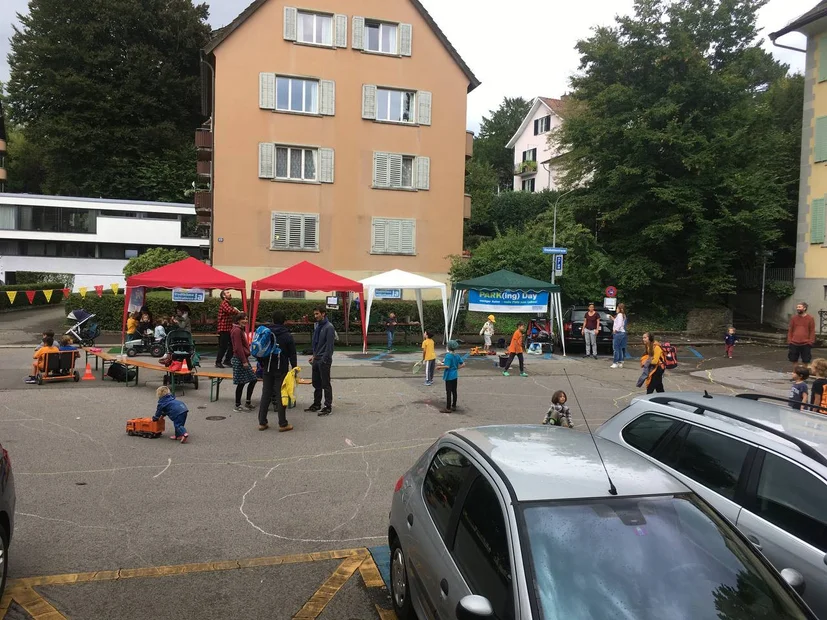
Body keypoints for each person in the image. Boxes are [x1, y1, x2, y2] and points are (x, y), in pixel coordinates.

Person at [257, 310, 297, 432]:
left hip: (268, 366)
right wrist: (294, 369)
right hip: (281, 368)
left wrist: (262, 363)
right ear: (284, 321)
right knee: (281, 395)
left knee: (266, 394)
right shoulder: (287, 335)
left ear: (272, 320)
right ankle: (282, 423)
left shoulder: (267, 333)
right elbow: (292, 354)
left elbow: (260, 348)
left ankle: (262, 422)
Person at [306, 307, 335, 416]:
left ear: (323, 314)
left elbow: (329, 347)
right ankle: (317, 403)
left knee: (325, 383)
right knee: (316, 383)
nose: (315, 316)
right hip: (316, 359)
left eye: (317, 314)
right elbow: (317, 344)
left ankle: (328, 406)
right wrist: (314, 356)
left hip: (324, 360)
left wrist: (324, 359)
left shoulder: (329, 327)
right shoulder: (318, 326)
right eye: (314, 314)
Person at [230, 313, 257, 412]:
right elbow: (238, 347)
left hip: (241, 358)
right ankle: (238, 405)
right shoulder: (237, 331)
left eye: (246, 319)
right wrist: (244, 361)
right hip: (240, 359)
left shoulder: (238, 329)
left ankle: (247, 402)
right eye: (243, 319)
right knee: (242, 382)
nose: (245, 321)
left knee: (251, 380)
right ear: (238, 320)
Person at [437, 340, 464, 413]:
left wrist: (439, 367)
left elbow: (447, 366)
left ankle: (448, 408)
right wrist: (456, 368)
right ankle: (454, 405)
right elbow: (463, 364)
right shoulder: (457, 355)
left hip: (449, 376)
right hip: (455, 375)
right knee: (454, 391)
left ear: (449, 347)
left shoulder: (448, 356)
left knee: (448, 391)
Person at [788, 302, 816, 372]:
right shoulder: (794, 318)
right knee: (794, 360)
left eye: (799, 307)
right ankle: (795, 375)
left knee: (806, 361)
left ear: (804, 308)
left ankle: (804, 376)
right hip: (794, 342)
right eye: (797, 307)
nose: (798, 308)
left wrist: (810, 341)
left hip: (806, 343)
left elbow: (812, 330)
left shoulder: (810, 318)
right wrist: (790, 341)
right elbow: (790, 330)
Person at [215, 289, 240, 368]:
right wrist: (237, 311)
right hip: (223, 329)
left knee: (232, 345)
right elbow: (230, 311)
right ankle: (218, 362)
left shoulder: (228, 304)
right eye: (227, 293)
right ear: (224, 296)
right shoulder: (224, 304)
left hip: (228, 329)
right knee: (223, 346)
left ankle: (227, 360)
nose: (230, 294)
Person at [610, 304, 627, 369]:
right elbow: (620, 322)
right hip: (622, 332)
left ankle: (615, 362)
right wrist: (613, 319)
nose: (616, 309)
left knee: (616, 348)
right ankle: (620, 362)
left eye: (617, 308)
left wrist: (615, 330)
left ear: (619, 309)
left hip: (618, 333)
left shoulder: (619, 315)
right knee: (620, 348)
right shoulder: (623, 315)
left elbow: (619, 324)